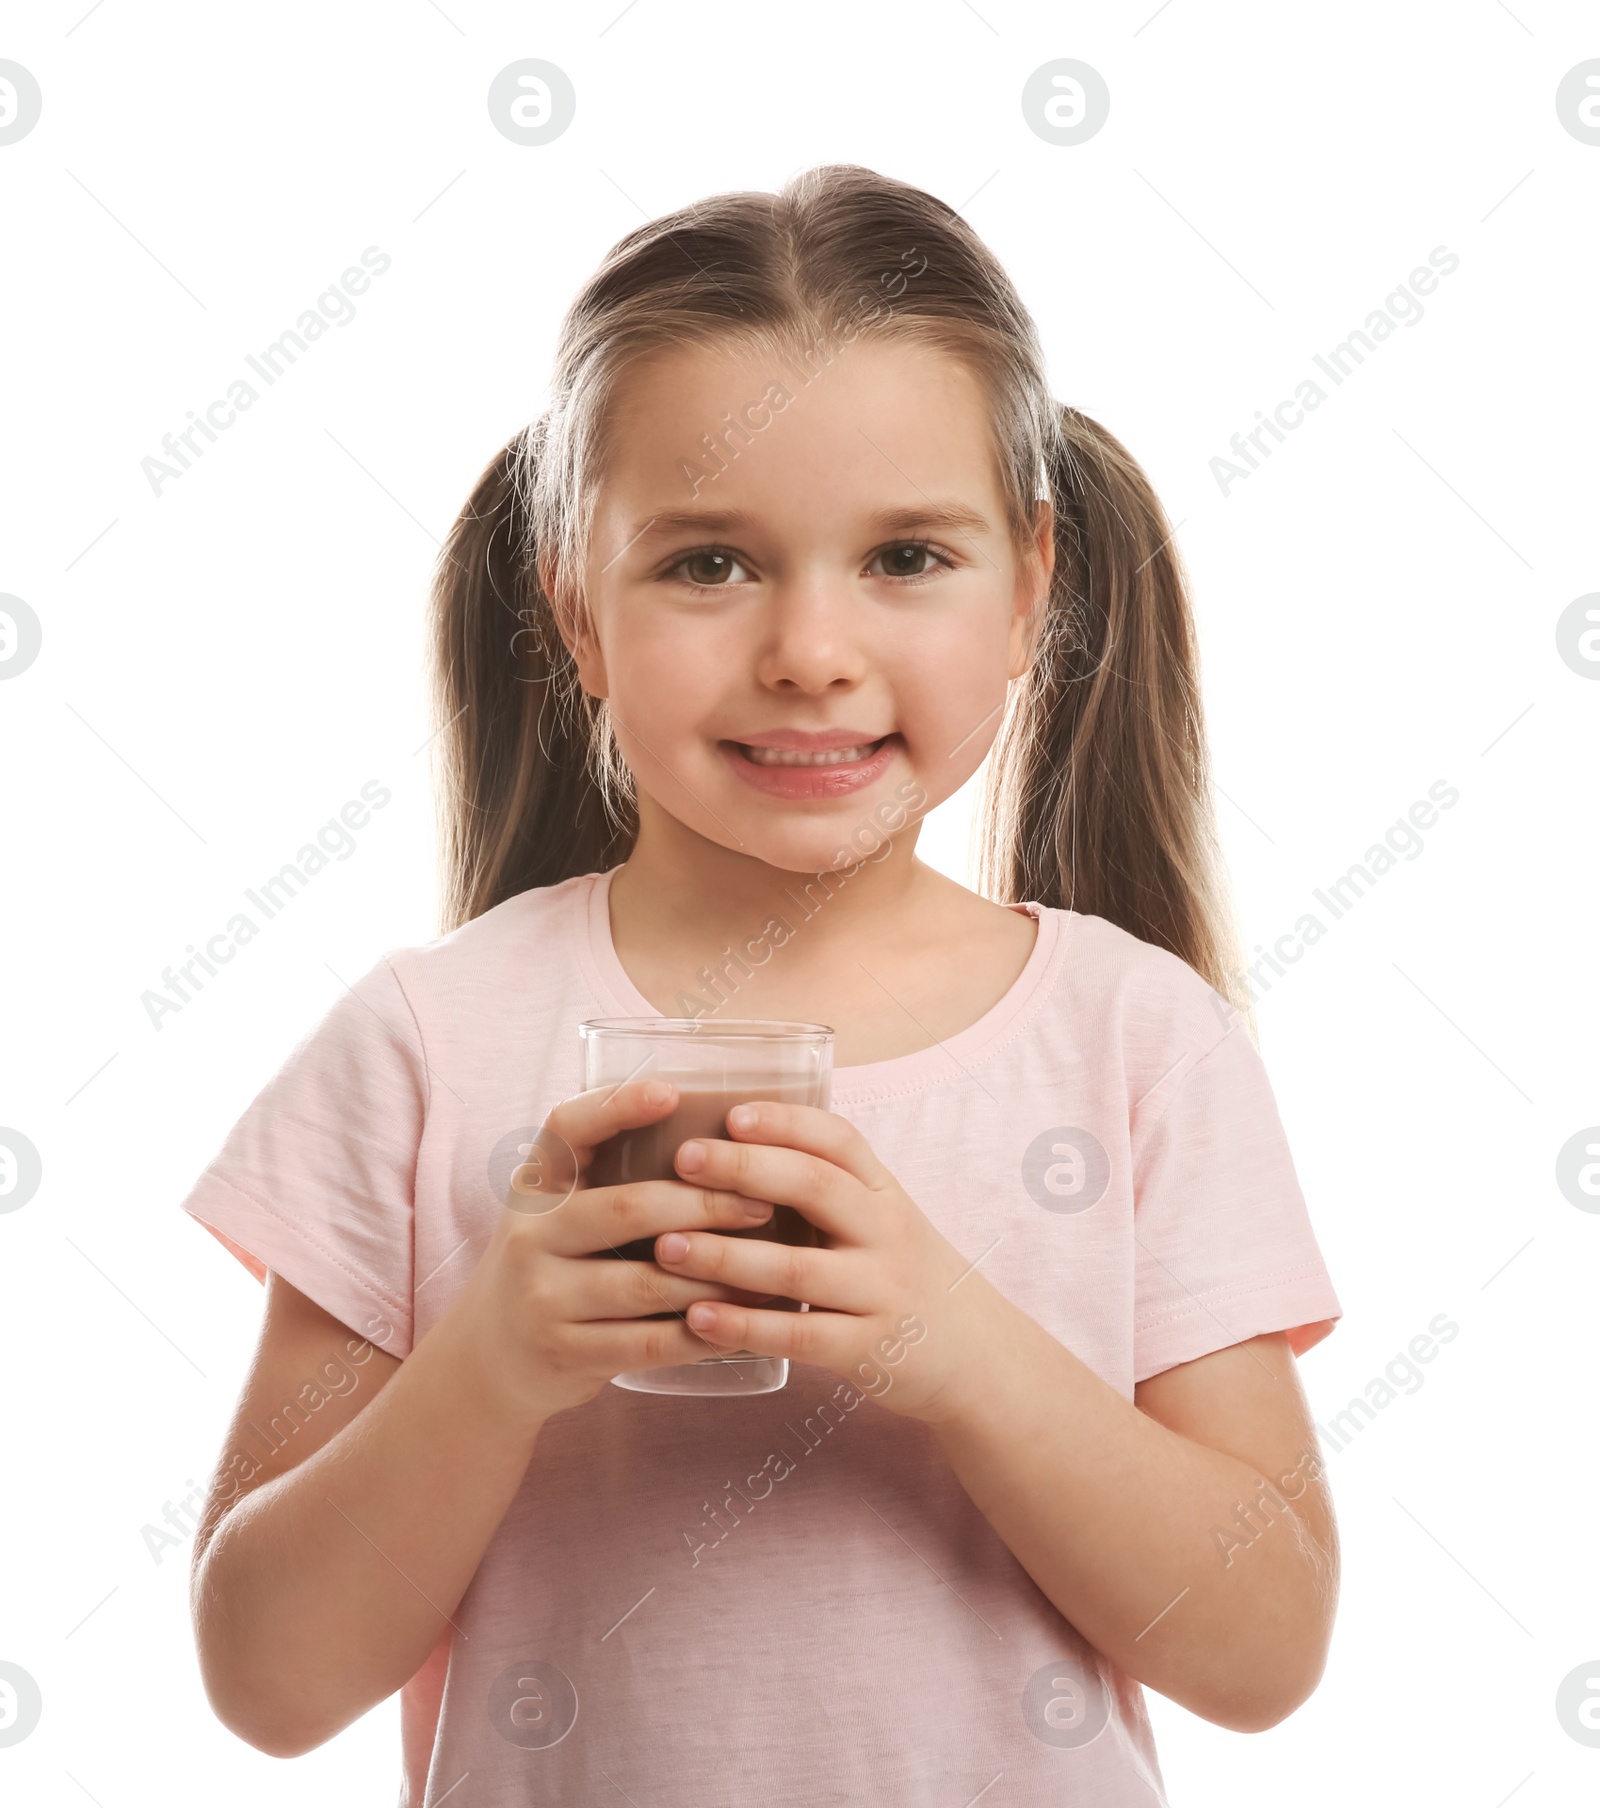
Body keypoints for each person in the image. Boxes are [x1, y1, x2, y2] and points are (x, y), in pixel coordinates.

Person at [180, 162, 1342, 1804]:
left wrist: (954, 1343)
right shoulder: (429, 1043)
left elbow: (1263, 1647)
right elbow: (269, 1681)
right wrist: (493, 1363)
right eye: (710, 563)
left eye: (907, 557)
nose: (807, 647)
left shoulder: (1133, 1041)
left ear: (1030, 591)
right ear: (575, 605)